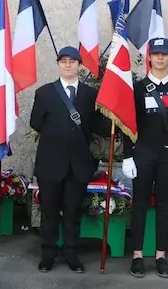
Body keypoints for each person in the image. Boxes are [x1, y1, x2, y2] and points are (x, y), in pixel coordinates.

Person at [30, 46, 111, 273]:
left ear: (79, 65)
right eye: (63, 61)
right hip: (50, 163)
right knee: (49, 211)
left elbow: (97, 126)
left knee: (73, 212)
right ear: (58, 64)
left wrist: (116, 116)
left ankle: (71, 253)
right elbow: (35, 123)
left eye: (72, 61)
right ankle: (48, 254)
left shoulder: (89, 94)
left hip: (78, 163)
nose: (68, 65)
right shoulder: (44, 93)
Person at [122, 38, 168, 278]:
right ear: (149, 57)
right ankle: (137, 256)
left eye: (165, 54)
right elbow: (129, 125)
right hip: (142, 154)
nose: (160, 58)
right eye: (156, 54)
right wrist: (127, 156)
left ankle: (161, 255)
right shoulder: (137, 88)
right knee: (139, 205)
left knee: (164, 205)